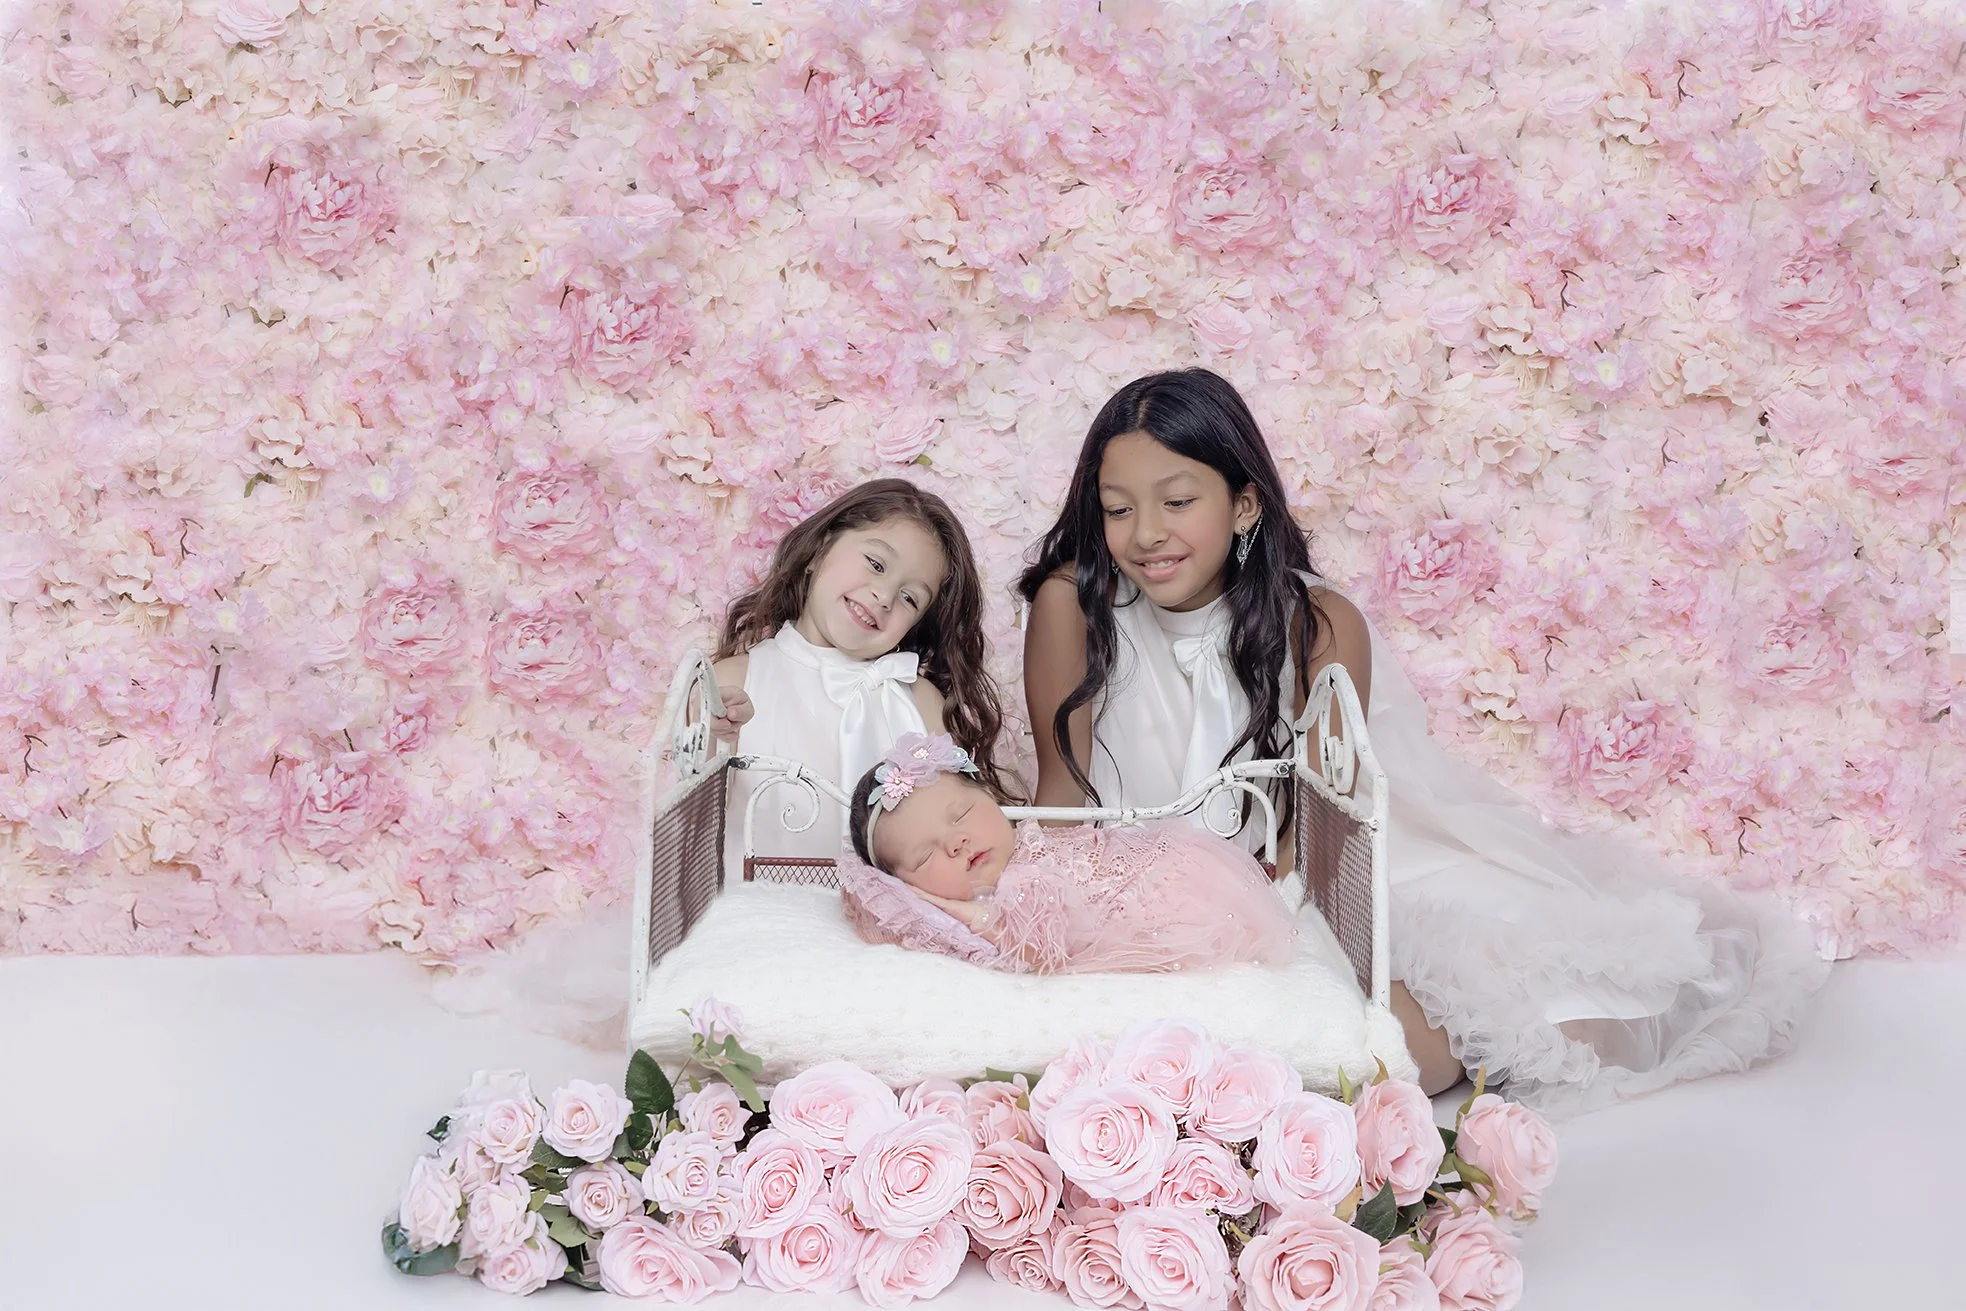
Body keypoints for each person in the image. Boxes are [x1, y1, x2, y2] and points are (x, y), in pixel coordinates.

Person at [1018, 368, 1828, 1114]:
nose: (1145, 533)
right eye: (1118, 508)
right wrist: (1052, 920)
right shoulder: (1074, 604)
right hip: (1131, 887)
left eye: (1176, 500)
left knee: (1435, 1037)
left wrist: (1257, 942)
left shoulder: (1318, 623)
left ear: (1244, 503)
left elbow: (1319, 836)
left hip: (1302, 882)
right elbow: (1062, 791)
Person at [706, 478, 1012, 877]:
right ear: (819, 549)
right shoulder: (733, 680)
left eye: (909, 598)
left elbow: (960, 830)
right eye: (876, 564)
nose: (884, 596)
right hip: (766, 920)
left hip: (887, 929)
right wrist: (721, 740)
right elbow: (693, 832)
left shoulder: (918, 699)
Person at [836, 733, 1296, 974]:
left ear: (990, 796)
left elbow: (1040, 947)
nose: (956, 842)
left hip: (1173, 885)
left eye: (961, 815)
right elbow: (876, 909)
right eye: (923, 857)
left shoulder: (1028, 864)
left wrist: (965, 912)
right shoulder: (976, 892)